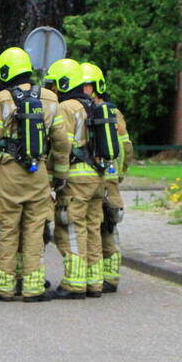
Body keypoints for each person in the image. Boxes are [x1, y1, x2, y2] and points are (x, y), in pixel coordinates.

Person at [0, 47, 69, 302]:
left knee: (8, 230)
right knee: (34, 231)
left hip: (9, 173)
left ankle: (5, 288)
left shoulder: (2, 99)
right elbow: (62, 142)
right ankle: (32, 289)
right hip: (38, 173)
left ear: (7, 71)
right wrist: (59, 176)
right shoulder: (49, 98)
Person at [46, 58, 105, 300]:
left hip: (76, 178)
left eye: (55, 85)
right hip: (97, 177)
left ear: (63, 82)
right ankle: (94, 281)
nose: (53, 90)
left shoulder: (67, 108)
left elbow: (62, 146)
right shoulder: (93, 105)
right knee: (93, 228)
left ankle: (74, 283)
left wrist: (54, 177)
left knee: (71, 227)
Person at [81, 62, 133, 293]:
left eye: (87, 86)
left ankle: (108, 276)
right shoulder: (111, 112)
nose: (84, 89)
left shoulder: (94, 112)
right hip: (106, 176)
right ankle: (106, 276)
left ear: (96, 87)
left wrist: (116, 176)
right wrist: (117, 174)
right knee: (103, 226)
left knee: (105, 226)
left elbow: (125, 148)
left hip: (101, 176)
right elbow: (126, 149)